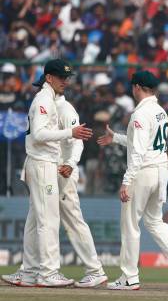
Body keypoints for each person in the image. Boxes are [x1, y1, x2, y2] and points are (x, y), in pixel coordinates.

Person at [97, 71, 168, 291]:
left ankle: (129, 277)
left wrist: (126, 180)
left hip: (143, 172)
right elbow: (144, 143)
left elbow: (139, 151)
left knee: (130, 224)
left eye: (133, 87)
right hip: (160, 171)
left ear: (137, 87)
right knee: (154, 221)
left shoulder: (140, 114)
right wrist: (117, 138)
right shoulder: (161, 111)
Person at [1, 90, 107, 288]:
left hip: (62, 171)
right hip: (46, 167)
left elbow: (78, 141)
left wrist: (71, 162)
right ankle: (29, 271)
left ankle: (95, 270)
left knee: (72, 220)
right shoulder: (43, 103)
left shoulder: (66, 110)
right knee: (34, 220)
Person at [13, 59, 93, 287]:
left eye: (67, 77)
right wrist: (71, 132)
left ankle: (29, 273)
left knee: (37, 219)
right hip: (42, 163)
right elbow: (38, 134)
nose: (65, 81)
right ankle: (48, 273)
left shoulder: (48, 99)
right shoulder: (44, 100)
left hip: (43, 163)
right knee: (48, 219)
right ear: (48, 77)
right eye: (60, 77)